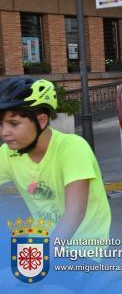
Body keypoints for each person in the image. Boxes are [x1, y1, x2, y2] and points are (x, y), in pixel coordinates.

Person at [0, 77, 111, 242]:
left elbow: (75, 211)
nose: (4, 132)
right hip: (40, 242)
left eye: (13, 124)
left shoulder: (72, 148)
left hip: (82, 248)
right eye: (0, 124)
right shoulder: (8, 153)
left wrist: (46, 256)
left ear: (42, 120)